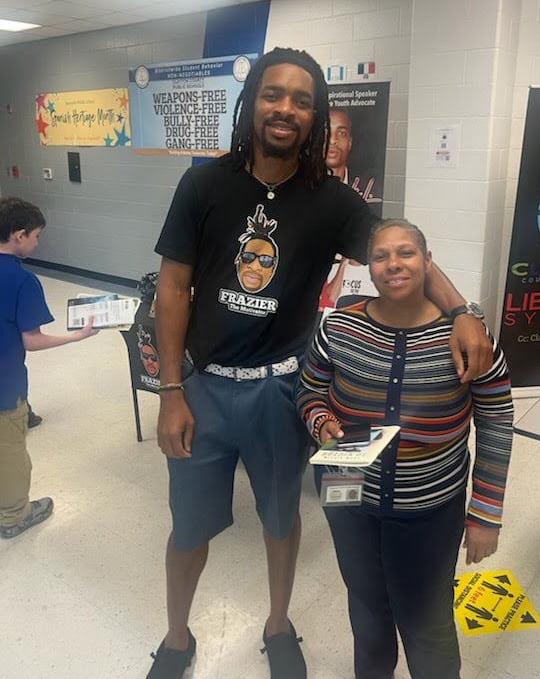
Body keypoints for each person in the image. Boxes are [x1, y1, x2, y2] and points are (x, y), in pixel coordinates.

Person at [149, 47, 493, 679]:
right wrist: (171, 391)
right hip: (203, 390)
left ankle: (278, 625)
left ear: (315, 116)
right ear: (252, 102)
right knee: (188, 527)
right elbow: (173, 288)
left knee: (281, 521)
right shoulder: (203, 184)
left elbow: (402, 254)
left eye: (302, 101)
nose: (285, 109)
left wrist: (461, 311)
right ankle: (175, 639)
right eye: (273, 94)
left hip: (284, 391)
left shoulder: (331, 201)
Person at [297, 218, 514, 679]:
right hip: (346, 489)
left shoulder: (468, 340)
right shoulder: (339, 327)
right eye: (381, 256)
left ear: (428, 262)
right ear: (369, 268)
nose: (393, 264)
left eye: (406, 253)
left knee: (426, 620)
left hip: (430, 505)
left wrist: (485, 514)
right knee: (366, 607)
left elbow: (496, 420)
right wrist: (320, 421)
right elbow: (310, 390)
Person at [0, 197, 97, 539]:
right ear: (19, 235)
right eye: (36, 236)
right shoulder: (22, 280)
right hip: (4, 387)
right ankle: (14, 517)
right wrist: (76, 337)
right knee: (10, 454)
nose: (37, 244)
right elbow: (32, 340)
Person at [326, 108, 353, 182]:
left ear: (349, 142)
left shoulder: (368, 185)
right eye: (326, 131)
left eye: (342, 133)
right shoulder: (301, 185)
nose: (332, 140)